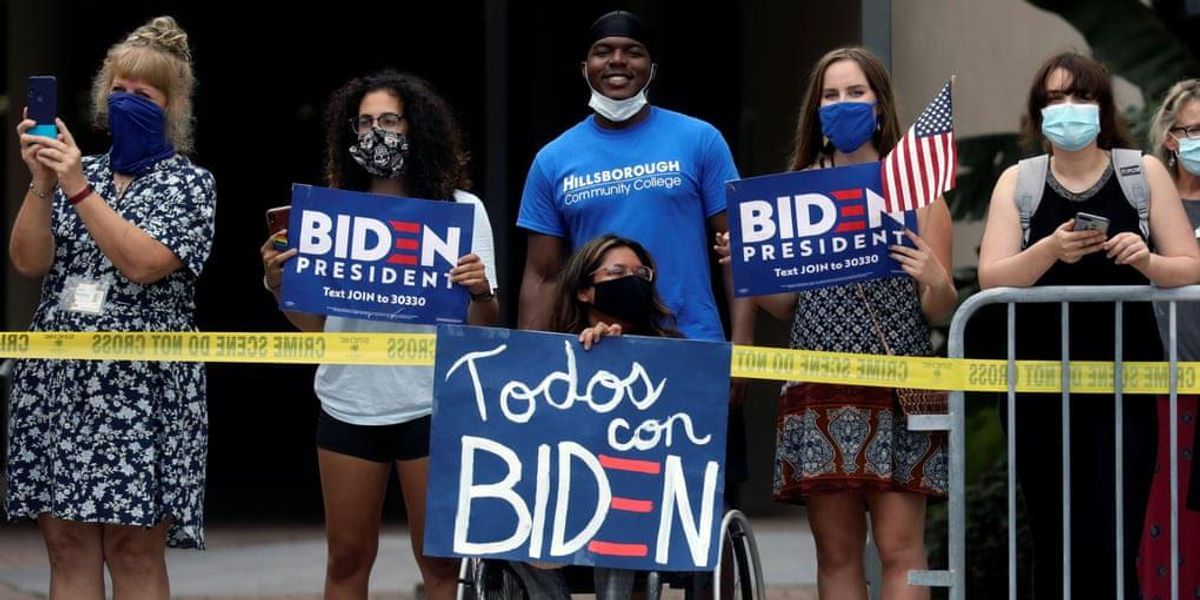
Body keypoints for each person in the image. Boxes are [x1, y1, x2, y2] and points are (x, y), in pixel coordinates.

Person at [718, 46, 955, 600]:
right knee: (836, 551)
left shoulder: (916, 189)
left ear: (879, 105)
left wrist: (935, 277)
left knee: (901, 550)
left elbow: (939, 306)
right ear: (815, 109)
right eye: (831, 95)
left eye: (855, 93)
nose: (842, 105)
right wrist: (744, 266)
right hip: (818, 387)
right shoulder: (793, 189)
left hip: (900, 386)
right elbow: (785, 307)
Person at [260, 70, 498, 600]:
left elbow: (484, 326)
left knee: (440, 564)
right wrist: (281, 288)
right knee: (346, 557)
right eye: (365, 121)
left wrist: (480, 291)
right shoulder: (327, 213)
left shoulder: (462, 210)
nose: (376, 132)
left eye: (389, 120)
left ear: (416, 128)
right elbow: (316, 327)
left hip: (431, 403)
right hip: (349, 400)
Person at [5, 16, 215, 599]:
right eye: (117, 93)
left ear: (172, 107)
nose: (126, 104)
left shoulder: (190, 185)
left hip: (143, 389)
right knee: (66, 548)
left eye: (142, 96)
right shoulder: (78, 173)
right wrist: (44, 183)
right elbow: (27, 261)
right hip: (63, 383)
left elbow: (144, 264)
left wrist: (77, 188)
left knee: (133, 550)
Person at [977, 52, 1200, 599]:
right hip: (1039, 389)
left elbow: (1191, 266)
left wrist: (1146, 261)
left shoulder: (1141, 173)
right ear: (1038, 112)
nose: (1068, 109)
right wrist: (1051, 250)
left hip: (1126, 385)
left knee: (1114, 537)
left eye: (1080, 96)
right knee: (1054, 541)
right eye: (1055, 99)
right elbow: (992, 277)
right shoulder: (1019, 181)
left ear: (1102, 107)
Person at [515, 7, 753, 491]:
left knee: (703, 513)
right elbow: (541, 276)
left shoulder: (700, 140)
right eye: (603, 52)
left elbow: (739, 250)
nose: (617, 61)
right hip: (595, 357)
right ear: (584, 67)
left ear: (652, 68)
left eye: (633, 52)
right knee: (606, 506)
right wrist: (533, 364)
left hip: (693, 348)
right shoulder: (553, 159)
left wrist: (742, 350)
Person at [509, 233, 680, 600]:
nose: (633, 280)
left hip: (639, 493)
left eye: (641, 273)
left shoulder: (675, 351)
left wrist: (622, 356)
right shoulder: (550, 357)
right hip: (567, 491)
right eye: (617, 272)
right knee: (505, 516)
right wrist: (591, 360)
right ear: (585, 291)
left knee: (620, 504)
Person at [1140, 77, 1200, 598]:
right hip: (1160, 389)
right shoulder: (1146, 207)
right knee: (1163, 518)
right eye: (1194, 130)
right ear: (1170, 138)